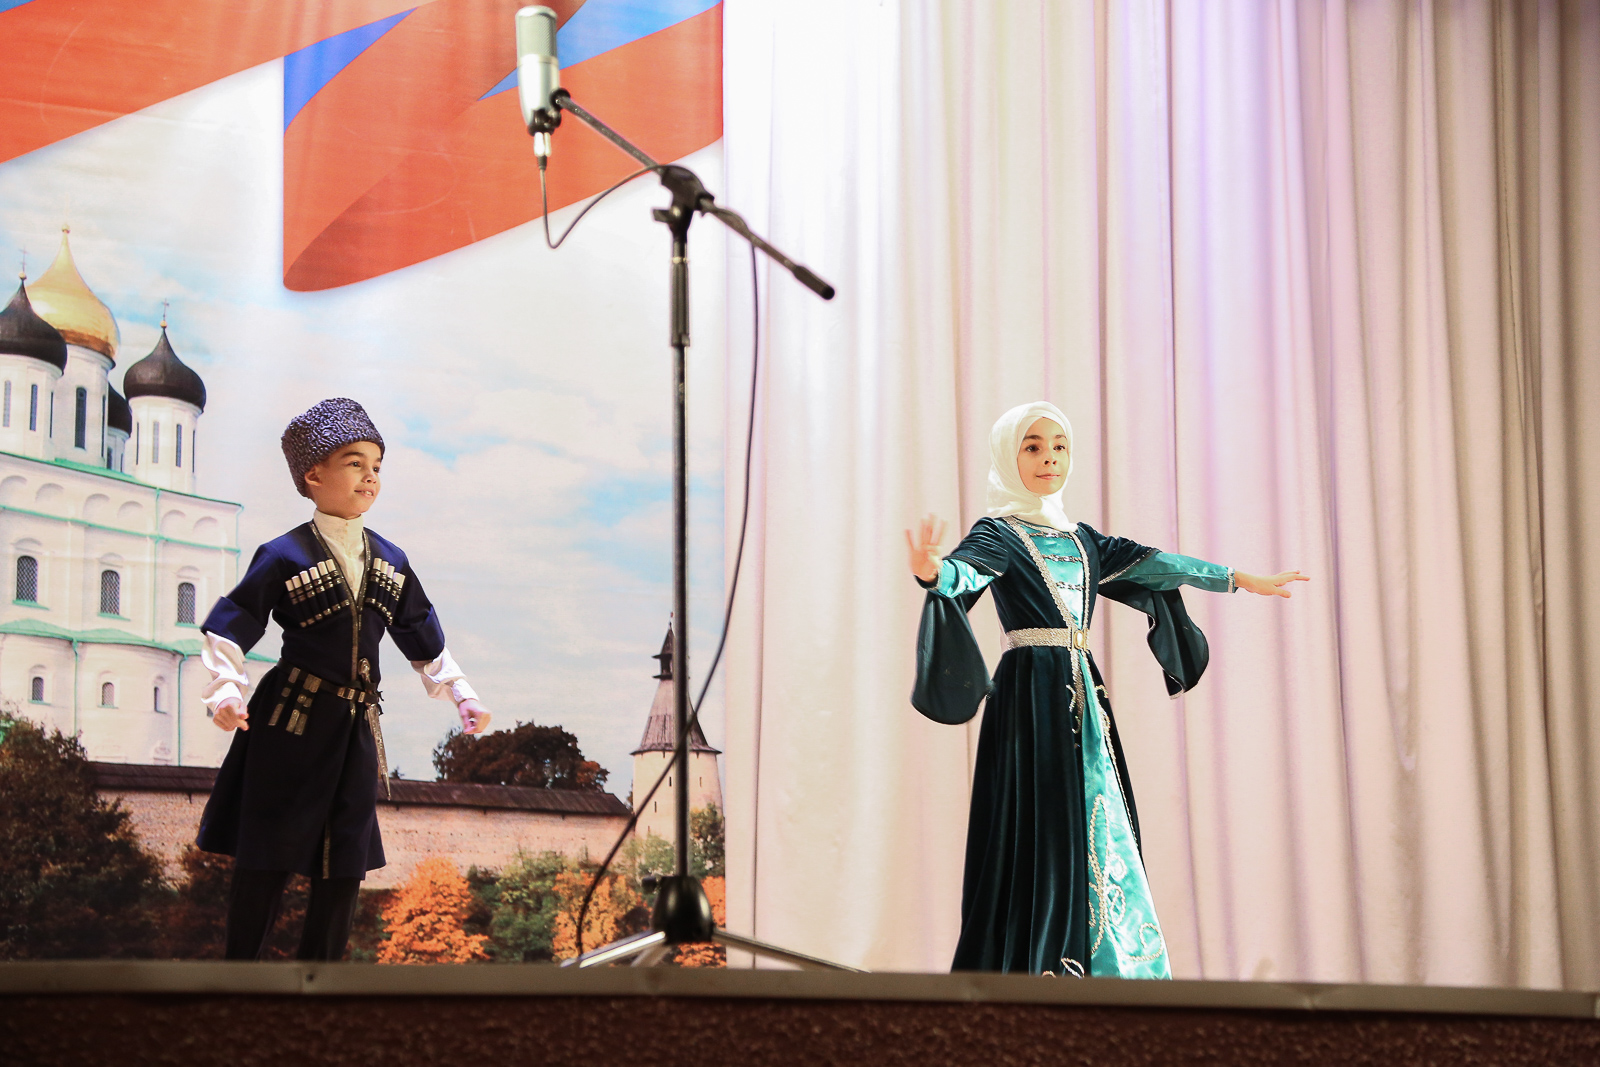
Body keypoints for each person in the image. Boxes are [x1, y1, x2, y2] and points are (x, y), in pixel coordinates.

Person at [906, 400, 1306, 977]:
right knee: (1041, 821)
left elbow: (1157, 565)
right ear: (1009, 456)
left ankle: (1108, 960)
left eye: (1059, 446)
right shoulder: (998, 534)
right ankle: (1045, 961)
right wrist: (933, 572)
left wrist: (1237, 578)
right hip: (1030, 696)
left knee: (1098, 811)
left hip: (1083, 694)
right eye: (1033, 447)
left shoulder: (1084, 540)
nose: (1049, 458)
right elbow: (964, 572)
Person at [195, 398, 492, 961]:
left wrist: (461, 694)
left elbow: (421, 631)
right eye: (355, 463)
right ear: (314, 474)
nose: (370, 476)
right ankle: (237, 980)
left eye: (376, 466)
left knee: (345, 859)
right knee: (268, 852)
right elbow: (233, 623)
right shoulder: (283, 555)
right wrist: (227, 692)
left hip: (356, 727)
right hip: (290, 722)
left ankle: (322, 983)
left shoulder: (391, 560)